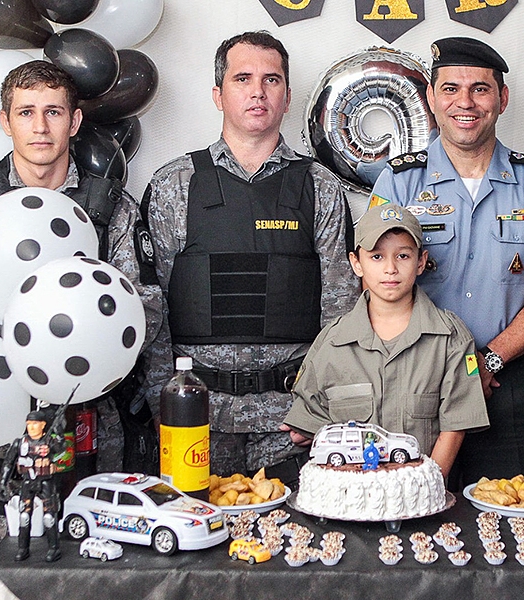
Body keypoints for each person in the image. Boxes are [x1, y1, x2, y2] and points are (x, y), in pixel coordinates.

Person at [0, 60, 163, 570]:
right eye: (26, 112)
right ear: (6, 122)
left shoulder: (110, 207)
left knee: (96, 563)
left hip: (92, 419)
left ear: (74, 122)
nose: (40, 126)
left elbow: (146, 309)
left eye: (53, 112)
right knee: (4, 563)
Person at [142, 31, 357, 487]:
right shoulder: (174, 184)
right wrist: (164, 405)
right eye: (243, 79)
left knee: (294, 548)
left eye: (271, 80)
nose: (258, 92)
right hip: (196, 418)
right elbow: (151, 308)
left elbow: (341, 314)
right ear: (218, 94)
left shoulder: (319, 186)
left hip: (289, 424)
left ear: (287, 96)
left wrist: (320, 410)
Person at [369, 37, 524, 486]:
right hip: (416, 379)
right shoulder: (398, 182)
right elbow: (376, 287)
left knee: (518, 522)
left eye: (480, 88)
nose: (466, 102)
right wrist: (450, 369)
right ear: (432, 100)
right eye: (451, 89)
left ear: (502, 98)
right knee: (411, 515)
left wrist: (485, 364)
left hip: (508, 381)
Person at [283, 205, 489, 479]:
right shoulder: (332, 343)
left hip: (421, 497)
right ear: (356, 263)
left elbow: (456, 425)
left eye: (402, 256)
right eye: (377, 256)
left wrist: (426, 485)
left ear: (420, 261)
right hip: (348, 498)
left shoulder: (450, 337)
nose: (390, 268)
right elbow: (310, 427)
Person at [0, 410, 66, 563]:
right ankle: (23, 548)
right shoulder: (20, 443)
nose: (31, 427)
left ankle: (54, 548)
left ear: (43, 425)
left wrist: (59, 432)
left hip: (45, 482)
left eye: (35, 424)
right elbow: (8, 463)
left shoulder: (49, 441)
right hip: (27, 482)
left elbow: (61, 448)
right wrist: (3, 483)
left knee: (49, 517)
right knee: (23, 517)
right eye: (29, 424)